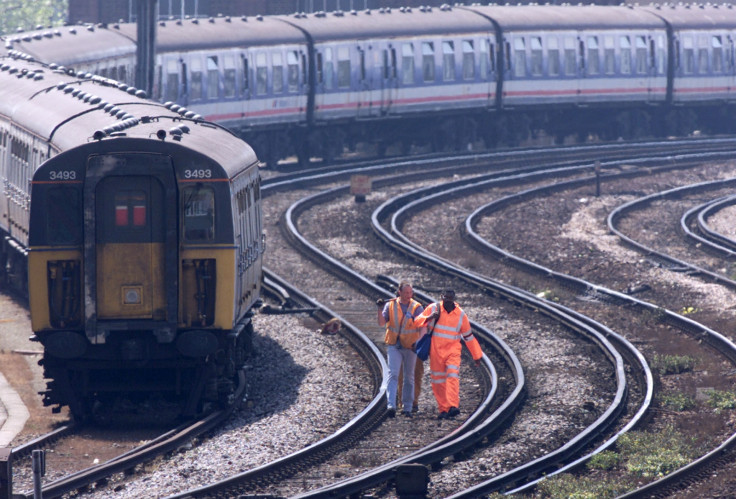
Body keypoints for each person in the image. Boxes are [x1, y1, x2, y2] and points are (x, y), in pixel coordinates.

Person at [413, 289, 483, 420]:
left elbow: (468, 336)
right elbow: (417, 321)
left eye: (450, 299)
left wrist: (476, 355)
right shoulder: (433, 308)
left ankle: (452, 406)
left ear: (454, 299)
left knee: (452, 376)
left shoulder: (460, 314)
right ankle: (444, 409)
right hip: (436, 351)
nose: (448, 301)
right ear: (442, 298)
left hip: (453, 351)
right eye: (445, 298)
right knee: (438, 381)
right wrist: (429, 317)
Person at [377, 281, 425, 418]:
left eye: (410, 293)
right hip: (394, 345)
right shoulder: (390, 305)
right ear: (399, 292)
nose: (408, 295)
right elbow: (381, 323)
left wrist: (418, 342)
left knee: (409, 376)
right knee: (393, 374)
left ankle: (407, 407)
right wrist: (380, 309)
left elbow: (423, 327)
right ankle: (391, 405)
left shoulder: (417, 307)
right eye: (406, 293)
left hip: (410, 346)